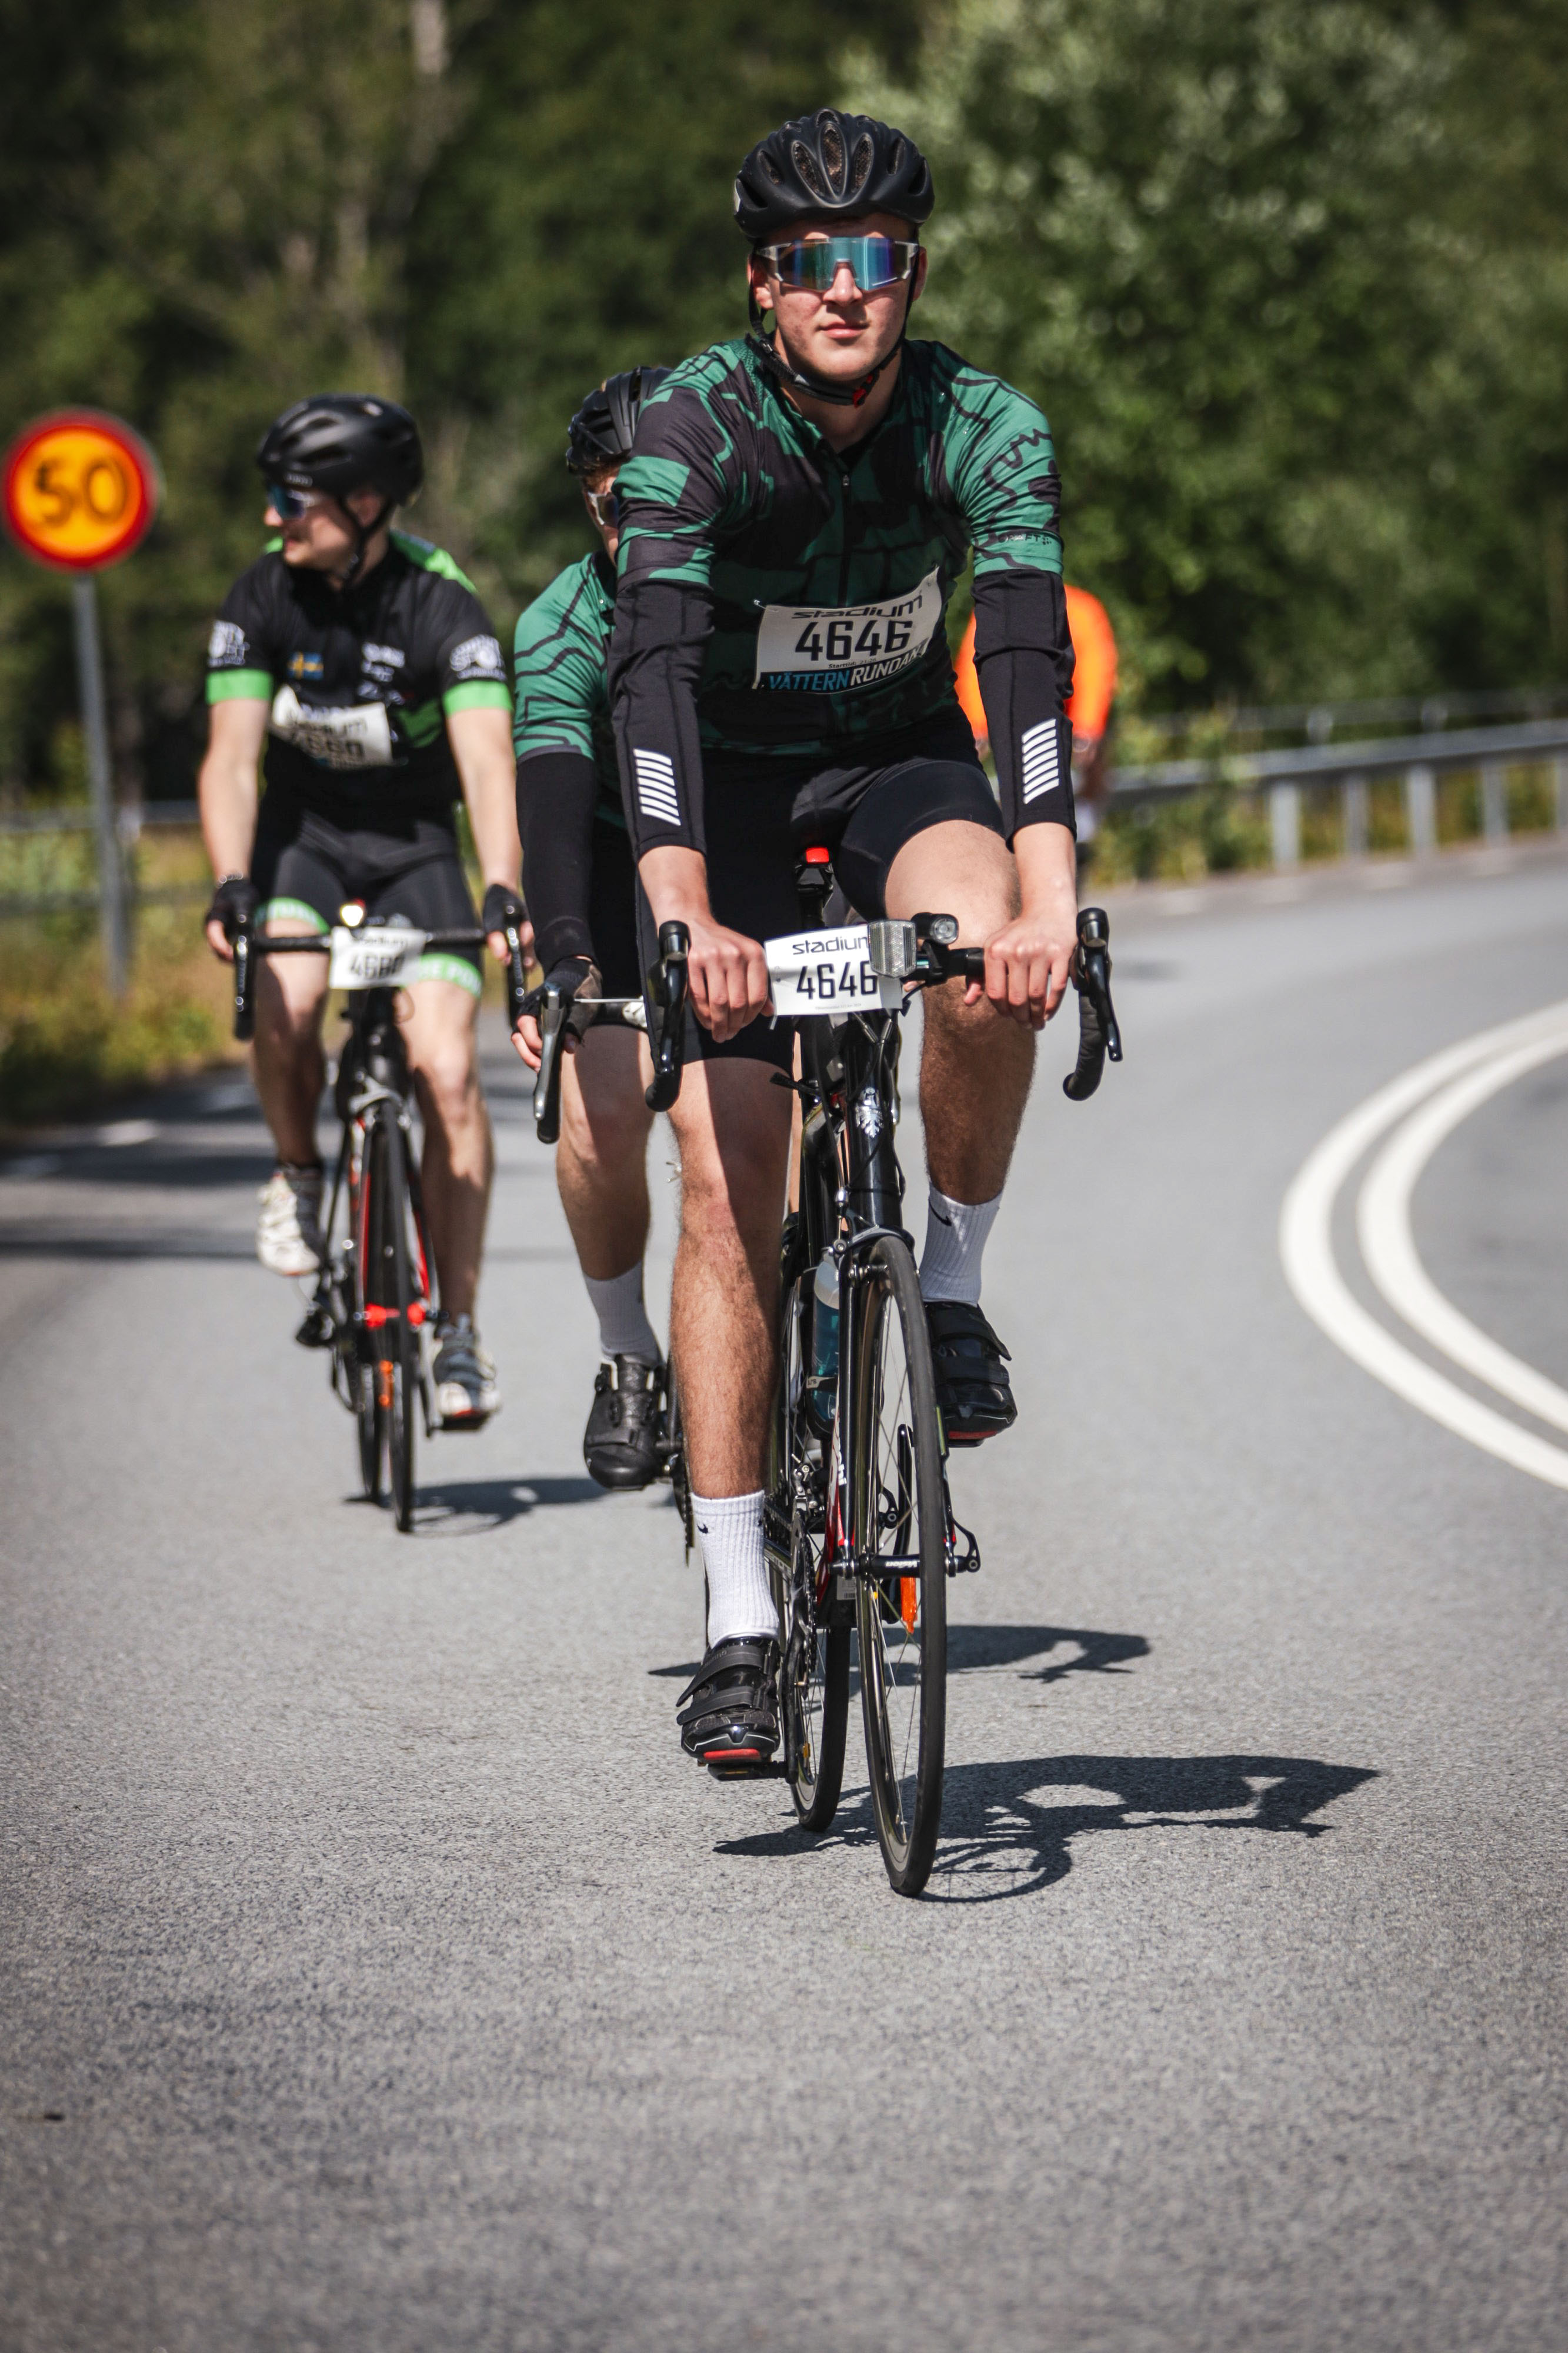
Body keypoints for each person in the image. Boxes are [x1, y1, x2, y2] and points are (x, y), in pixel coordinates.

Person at [606, 109, 1079, 1764]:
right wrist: (676, 911)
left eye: (873, 258)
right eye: (810, 264)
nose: (843, 291)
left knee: (991, 944)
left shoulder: (982, 422)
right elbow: (648, 672)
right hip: (722, 805)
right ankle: (740, 1614)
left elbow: (1021, 655)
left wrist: (1052, 893)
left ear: (911, 271)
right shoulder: (691, 426)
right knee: (731, 1186)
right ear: (763, 284)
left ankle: (947, 1286)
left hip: (892, 766)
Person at [198, 394, 527, 1425]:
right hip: (303, 846)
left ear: (369, 500)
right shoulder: (260, 598)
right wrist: (231, 881)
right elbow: (231, 764)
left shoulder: (443, 606)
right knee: (285, 1002)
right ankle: (299, 1174)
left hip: (413, 851)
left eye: (291, 501)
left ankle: (460, 1333)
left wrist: (504, 885)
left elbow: (485, 765)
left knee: (447, 1076)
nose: (273, 520)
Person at [510, 367, 673, 1489]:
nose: (638, 528)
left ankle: (836, 1312)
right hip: (615, 860)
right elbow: (555, 808)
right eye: (617, 505)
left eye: (662, 501)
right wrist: (557, 954)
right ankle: (627, 1354)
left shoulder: (766, 586)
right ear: (591, 508)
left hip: (757, 844)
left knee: (820, 1081)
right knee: (602, 1106)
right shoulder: (563, 623)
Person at [955, 586, 1117, 860]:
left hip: (1075, 701)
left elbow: (1096, 670)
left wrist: (1088, 728)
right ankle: (1013, 835)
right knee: (1015, 759)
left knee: (1093, 759)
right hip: (1022, 699)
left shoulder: (1082, 609)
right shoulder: (994, 609)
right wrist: (977, 726)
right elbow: (974, 665)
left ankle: (1085, 828)